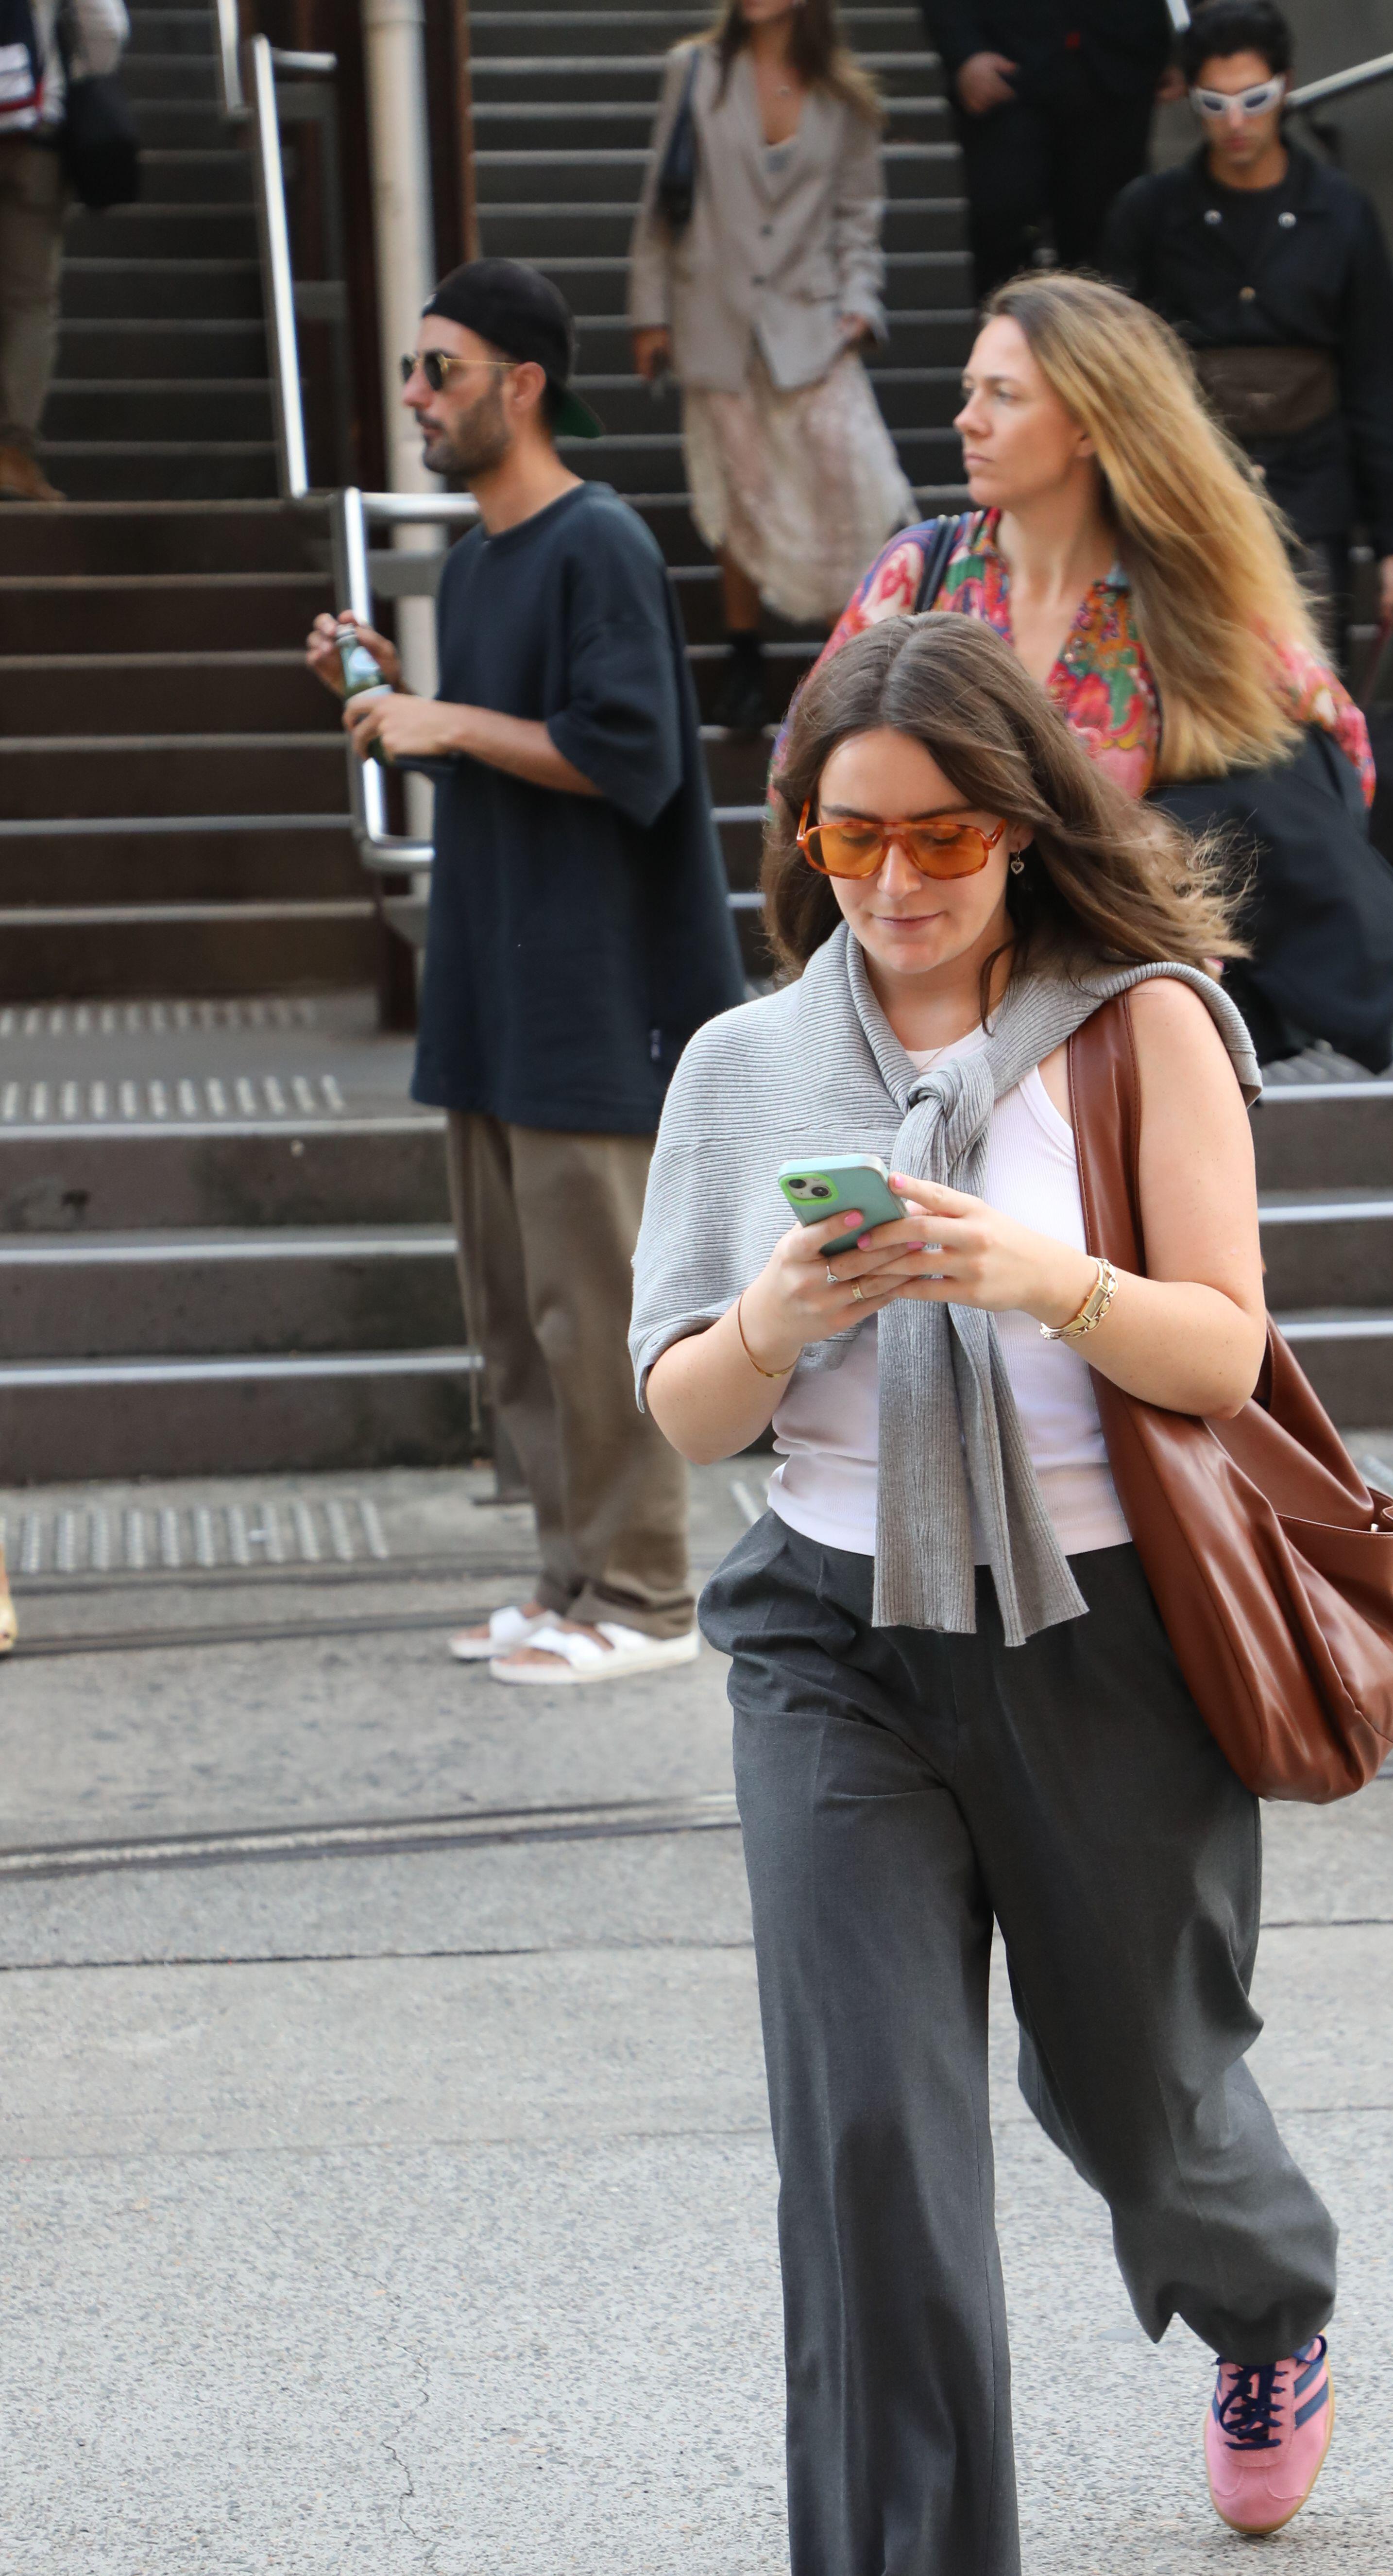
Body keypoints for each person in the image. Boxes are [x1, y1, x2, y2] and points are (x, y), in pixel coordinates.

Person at [631, 611, 1340, 2576]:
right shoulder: (742, 1066)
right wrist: (783, 1306)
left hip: (1097, 1633)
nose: (893, 878)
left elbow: (1215, 1355)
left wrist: (1032, 1276)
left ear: (1020, 824)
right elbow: (675, 1404)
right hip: (828, 1635)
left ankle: (1258, 2286)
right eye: (848, 836)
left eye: (937, 832)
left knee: (1133, 2078)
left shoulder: (1135, 1037)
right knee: (866, 2134)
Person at [304, 258, 745, 1690]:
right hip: (491, 993)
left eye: (442, 370)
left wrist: (441, 719)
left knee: (593, 1303)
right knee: (515, 1315)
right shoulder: (491, 558)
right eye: (413, 374)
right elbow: (496, 739)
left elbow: (626, 756)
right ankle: (568, 1580)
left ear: (522, 383)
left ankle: (646, 1590)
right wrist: (389, 688)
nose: (417, 397)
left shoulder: (596, 540)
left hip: (587, 993)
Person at [804, 268, 1371, 802]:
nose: (967, 418)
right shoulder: (918, 573)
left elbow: (1346, 759)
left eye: (1004, 395)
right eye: (970, 389)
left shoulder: (1184, 598)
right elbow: (799, 768)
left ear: (1088, 427)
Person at [1103, 0, 1393, 663]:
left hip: (1310, 484)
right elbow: (1111, 367)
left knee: (1310, 686)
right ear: (1187, 98)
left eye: (1253, 99)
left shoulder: (1338, 212)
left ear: (1284, 85)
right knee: (1198, 687)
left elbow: (1380, 371)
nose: (1235, 122)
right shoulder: (1149, 214)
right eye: (1213, 102)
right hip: (1192, 487)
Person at [628, 0, 915, 738]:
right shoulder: (695, 72)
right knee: (739, 490)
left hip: (811, 327)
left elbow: (859, 216)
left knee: (848, 485)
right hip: (713, 320)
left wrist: (859, 303)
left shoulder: (843, 95)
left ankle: (853, 658)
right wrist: (649, 313)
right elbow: (661, 203)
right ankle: (744, 657)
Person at [918, 0, 1177, 300]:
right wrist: (963, 51)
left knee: (1106, 236)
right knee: (1003, 220)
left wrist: (1186, 49)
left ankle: (1095, 344)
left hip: (1121, 62)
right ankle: (1007, 339)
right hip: (1007, 64)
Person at [0, 0, 127, 500]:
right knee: (30, 302)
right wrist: (80, 75)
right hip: (35, 136)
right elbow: (105, 26)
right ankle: (11, 455)